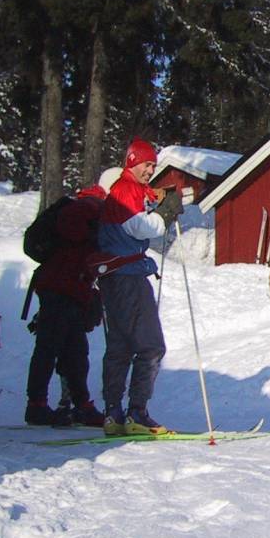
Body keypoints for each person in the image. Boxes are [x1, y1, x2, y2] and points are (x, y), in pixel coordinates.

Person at [97, 138, 184, 436]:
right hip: (128, 276)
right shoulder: (126, 190)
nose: (151, 171)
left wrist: (160, 198)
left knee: (120, 346)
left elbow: (146, 199)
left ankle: (113, 414)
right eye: (147, 165)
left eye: (153, 166)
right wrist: (166, 214)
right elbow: (141, 226)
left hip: (113, 275)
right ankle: (137, 412)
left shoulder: (127, 189)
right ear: (133, 161)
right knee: (151, 345)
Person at [24, 178, 113, 427]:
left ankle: (80, 405)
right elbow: (71, 228)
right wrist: (95, 233)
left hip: (69, 288)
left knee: (74, 350)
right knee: (50, 347)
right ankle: (37, 405)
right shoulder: (91, 205)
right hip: (59, 287)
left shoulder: (91, 206)